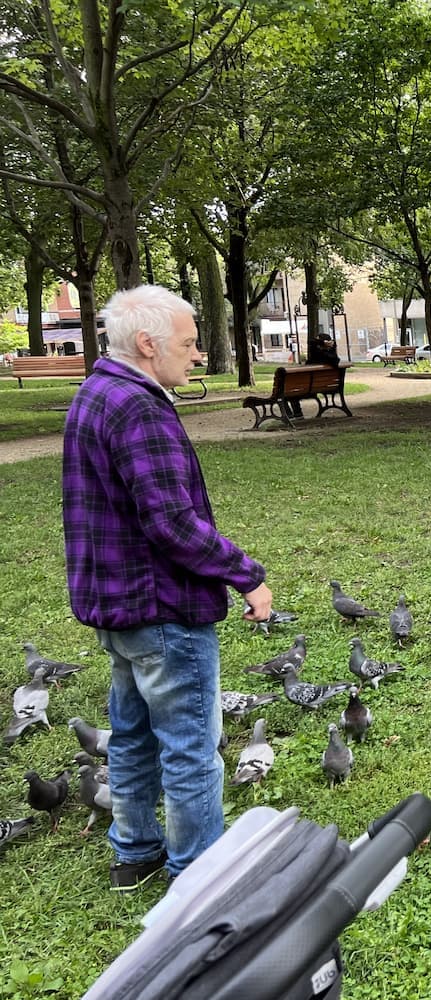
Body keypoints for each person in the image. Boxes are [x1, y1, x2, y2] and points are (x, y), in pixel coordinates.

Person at [62, 284, 273, 890]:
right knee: (189, 746)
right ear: (149, 344)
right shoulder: (138, 408)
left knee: (130, 735)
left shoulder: (96, 392)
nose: (198, 353)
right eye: (189, 342)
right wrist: (246, 574)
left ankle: (134, 850)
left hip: (118, 608)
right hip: (161, 609)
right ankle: (199, 875)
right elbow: (172, 522)